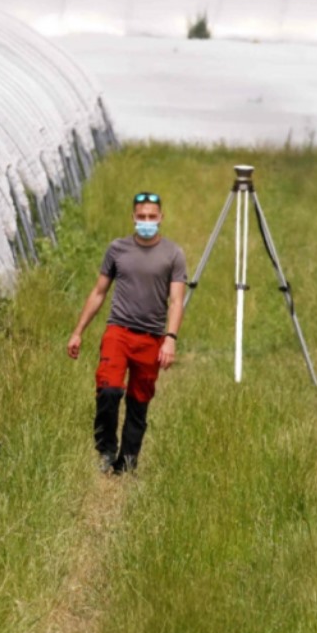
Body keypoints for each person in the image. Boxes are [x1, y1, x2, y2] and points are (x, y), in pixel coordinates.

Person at [67, 191, 186, 474]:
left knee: (139, 399)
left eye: (152, 217)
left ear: (161, 218)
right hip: (118, 331)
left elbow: (176, 301)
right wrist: (78, 331)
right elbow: (98, 292)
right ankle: (106, 450)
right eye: (141, 216)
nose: (146, 221)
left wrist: (170, 339)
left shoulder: (173, 254)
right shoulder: (117, 249)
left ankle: (127, 461)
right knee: (108, 390)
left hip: (152, 337)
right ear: (133, 217)